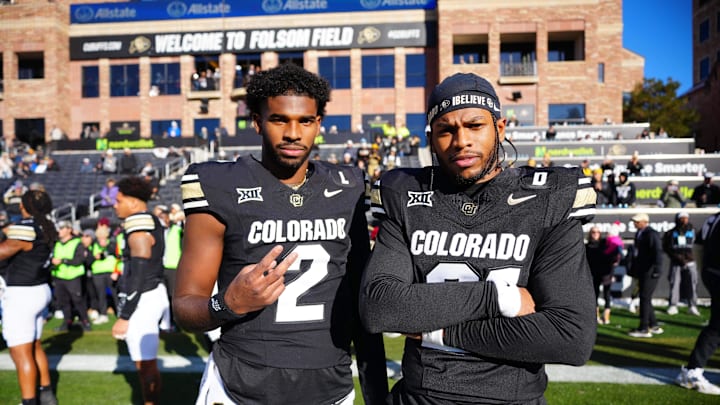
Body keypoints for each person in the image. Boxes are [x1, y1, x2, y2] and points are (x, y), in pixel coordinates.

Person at [360, 72, 597, 403]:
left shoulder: (548, 197)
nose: (461, 141)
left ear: (499, 129)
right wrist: (500, 300)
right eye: (446, 130)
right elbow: (379, 307)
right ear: (431, 138)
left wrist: (437, 332)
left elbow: (570, 337)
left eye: (474, 126)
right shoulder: (406, 194)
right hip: (421, 397)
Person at [173, 63, 388, 405]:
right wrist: (226, 303)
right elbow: (184, 307)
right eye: (279, 120)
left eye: (305, 121)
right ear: (257, 121)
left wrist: (376, 393)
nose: (293, 133)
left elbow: (361, 301)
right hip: (238, 387)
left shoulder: (346, 186)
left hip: (329, 389)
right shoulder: (219, 184)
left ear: (318, 123)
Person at [111, 176, 170, 405]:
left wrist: (125, 316)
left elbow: (139, 272)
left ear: (134, 202)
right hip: (150, 292)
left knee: (145, 364)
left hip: (144, 296)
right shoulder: (147, 219)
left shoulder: (138, 223)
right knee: (146, 364)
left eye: (119, 200)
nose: (115, 205)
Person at [0, 190, 59, 405]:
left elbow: (4, 251)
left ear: (25, 206)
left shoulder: (26, 228)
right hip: (39, 288)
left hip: (22, 293)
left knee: (20, 351)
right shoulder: (46, 225)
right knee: (34, 345)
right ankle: (46, 392)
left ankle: (29, 401)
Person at [675, 210, 720, 395]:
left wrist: (705, 272)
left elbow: (698, 246)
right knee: (717, 326)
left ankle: (693, 369)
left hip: (712, 272)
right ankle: (693, 370)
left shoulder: (713, 218)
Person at [627, 213, 664, 338]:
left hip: (650, 271)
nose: (635, 223)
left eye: (637, 221)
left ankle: (644, 328)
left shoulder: (651, 233)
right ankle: (653, 325)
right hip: (643, 271)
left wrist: (657, 269)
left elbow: (657, 252)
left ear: (644, 222)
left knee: (644, 298)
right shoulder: (640, 233)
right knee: (646, 298)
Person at [51, 221, 92, 332]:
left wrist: (63, 261)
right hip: (59, 276)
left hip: (73, 276)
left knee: (78, 300)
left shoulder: (77, 243)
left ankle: (85, 321)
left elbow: (79, 260)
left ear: (69, 229)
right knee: (63, 301)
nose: (59, 231)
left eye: (62, 228)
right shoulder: (57, 243)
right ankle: (67, 321)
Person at [663, 211, 700, 316]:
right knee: (674, 282)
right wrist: (676, 257)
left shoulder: (693, 231)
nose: (684, 220)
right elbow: (666, 246)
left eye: (686, 218)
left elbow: (698, 245)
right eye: (682, 218)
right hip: (676, 261)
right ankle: (673, 305)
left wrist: (692, 257)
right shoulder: (671, 232)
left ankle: (692, 305)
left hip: (691, 261)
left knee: (692, 283)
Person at [585, 226, 622, 325]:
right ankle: (595, 315)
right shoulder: (587, 246)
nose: (595, 233)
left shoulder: (605, 243)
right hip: (593, 273)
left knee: (607, 294)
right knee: (594, 294)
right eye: (593, 232)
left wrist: (615, 261)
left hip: (606, 273)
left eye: (597, 232)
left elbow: (615, 251)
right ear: (590, 233)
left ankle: (606, 316)